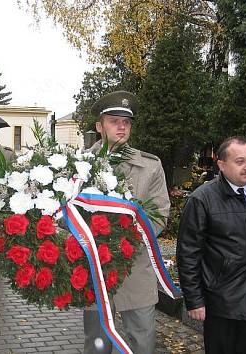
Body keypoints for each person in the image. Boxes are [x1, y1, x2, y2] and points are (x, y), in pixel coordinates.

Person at [176, 136, 246, 354]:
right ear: (221, 164)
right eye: (240, 162)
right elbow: (188, 253)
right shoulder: (202, 200)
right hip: (221, 302)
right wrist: (194, 299)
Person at [84, 91, 170, 354]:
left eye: (127, 122)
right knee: (97, 345)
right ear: (99, 126)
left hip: (135, 269)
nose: (122, 126)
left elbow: (160, 214)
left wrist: (122, 242)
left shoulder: (150, 166)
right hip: (94, 273)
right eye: (114, 121)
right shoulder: (77, 165)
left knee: (143, 343)